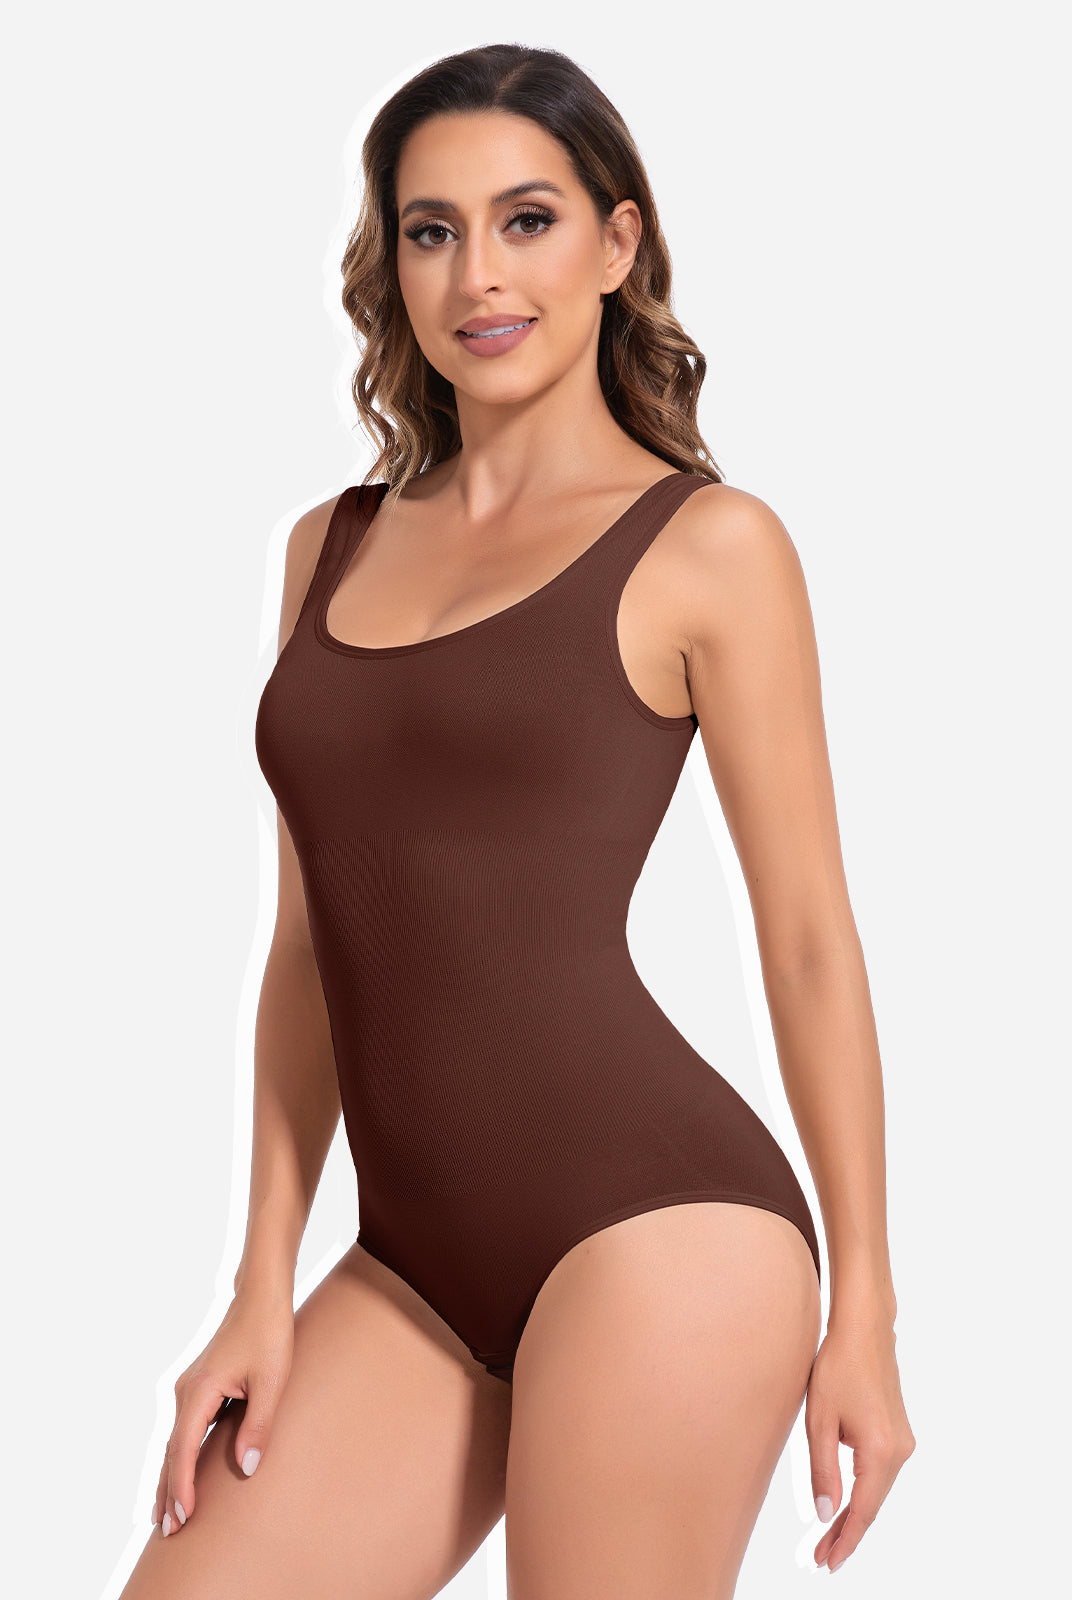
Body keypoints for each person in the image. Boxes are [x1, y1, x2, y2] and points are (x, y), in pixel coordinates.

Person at [119, 41, 914, 1600]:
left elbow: (810, 943)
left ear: (618, 245)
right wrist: (261, 1280)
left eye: (527, 221)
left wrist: (868, 1313)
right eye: (433, 230)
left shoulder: (710, 548)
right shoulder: (328, 547)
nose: (477, 273)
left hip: (663, 1228)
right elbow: (311, 945)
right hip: (409, 1265)